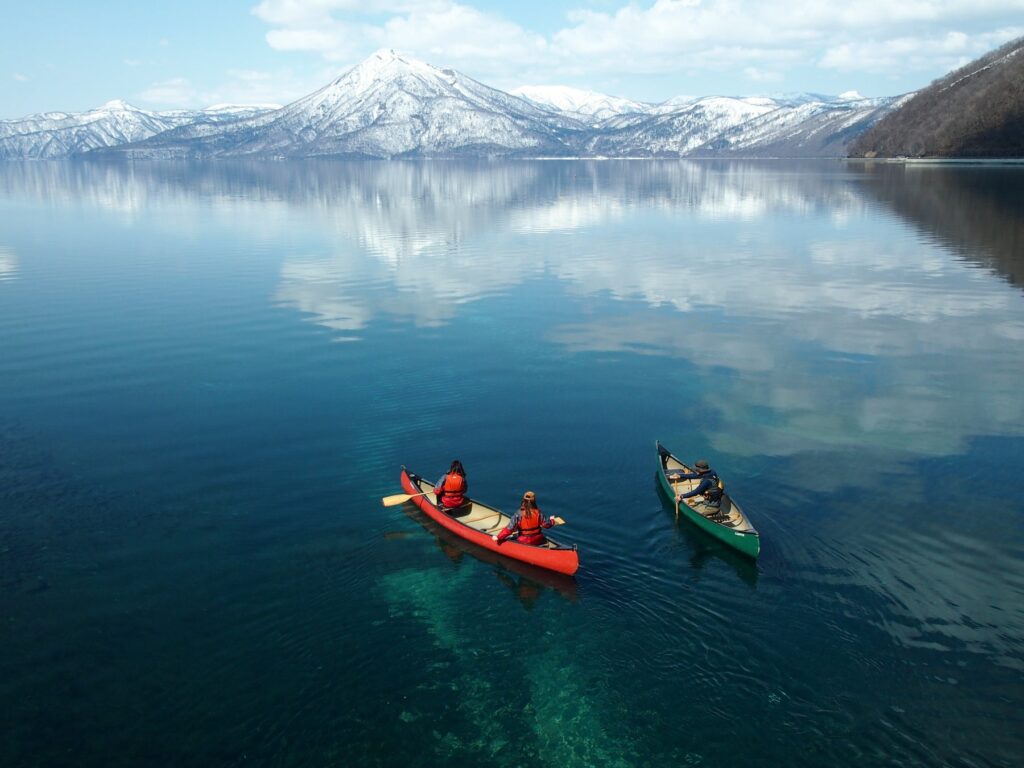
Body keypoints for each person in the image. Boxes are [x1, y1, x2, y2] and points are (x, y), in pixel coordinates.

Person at [492, 491, 560, 546]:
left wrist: (498, 537)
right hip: (537, 540)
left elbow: (510, 529)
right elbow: (547, 525)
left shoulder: (518, 514)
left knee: (512, 536)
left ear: (523, 500)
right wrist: (552, 520)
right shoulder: (539, 513)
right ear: (534, 501)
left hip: (523, 541)